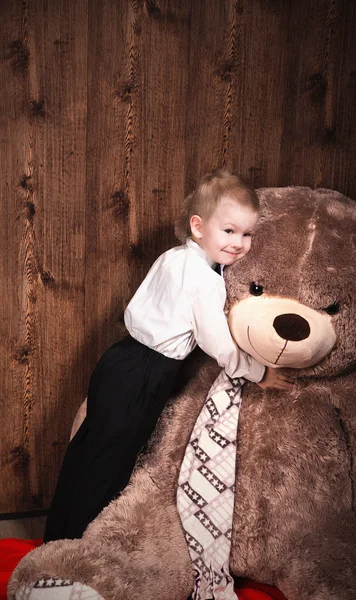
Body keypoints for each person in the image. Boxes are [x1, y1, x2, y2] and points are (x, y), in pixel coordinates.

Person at [44, 169, 292, 543]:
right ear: (198, 226)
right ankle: (79, 544)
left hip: (119, 359)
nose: (239, 243)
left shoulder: (173, 257)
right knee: (112, 462)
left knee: (90, 449)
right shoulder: (204, 281)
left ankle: (57, 534)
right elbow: (220, 345)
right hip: (145, 374)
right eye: (229, 231)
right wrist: (260, 372)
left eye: (247, 234)